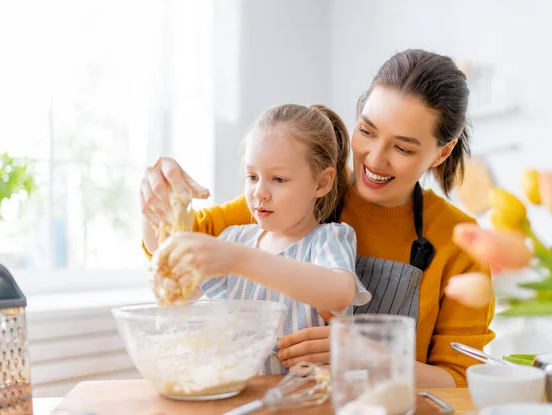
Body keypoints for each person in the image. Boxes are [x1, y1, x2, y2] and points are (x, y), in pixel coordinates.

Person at [140, 49, 495, 388]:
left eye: (402, 148)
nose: (373, 158)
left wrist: (363, 354)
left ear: (441, 152)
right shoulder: (297, 193)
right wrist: (161, 195)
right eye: (367, 131)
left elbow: (463, 380)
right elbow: (176, 245)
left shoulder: (459, 242)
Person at [149, 103, 371, 375]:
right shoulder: (235, 239)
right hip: (244, 397)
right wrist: (153, 207)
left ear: (321, 183)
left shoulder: (328, 239)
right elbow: (174, 276)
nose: (259, 192)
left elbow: (339, 294)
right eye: (252, 176)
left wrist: (239, 260)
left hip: (310, 401)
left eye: (278, 179)